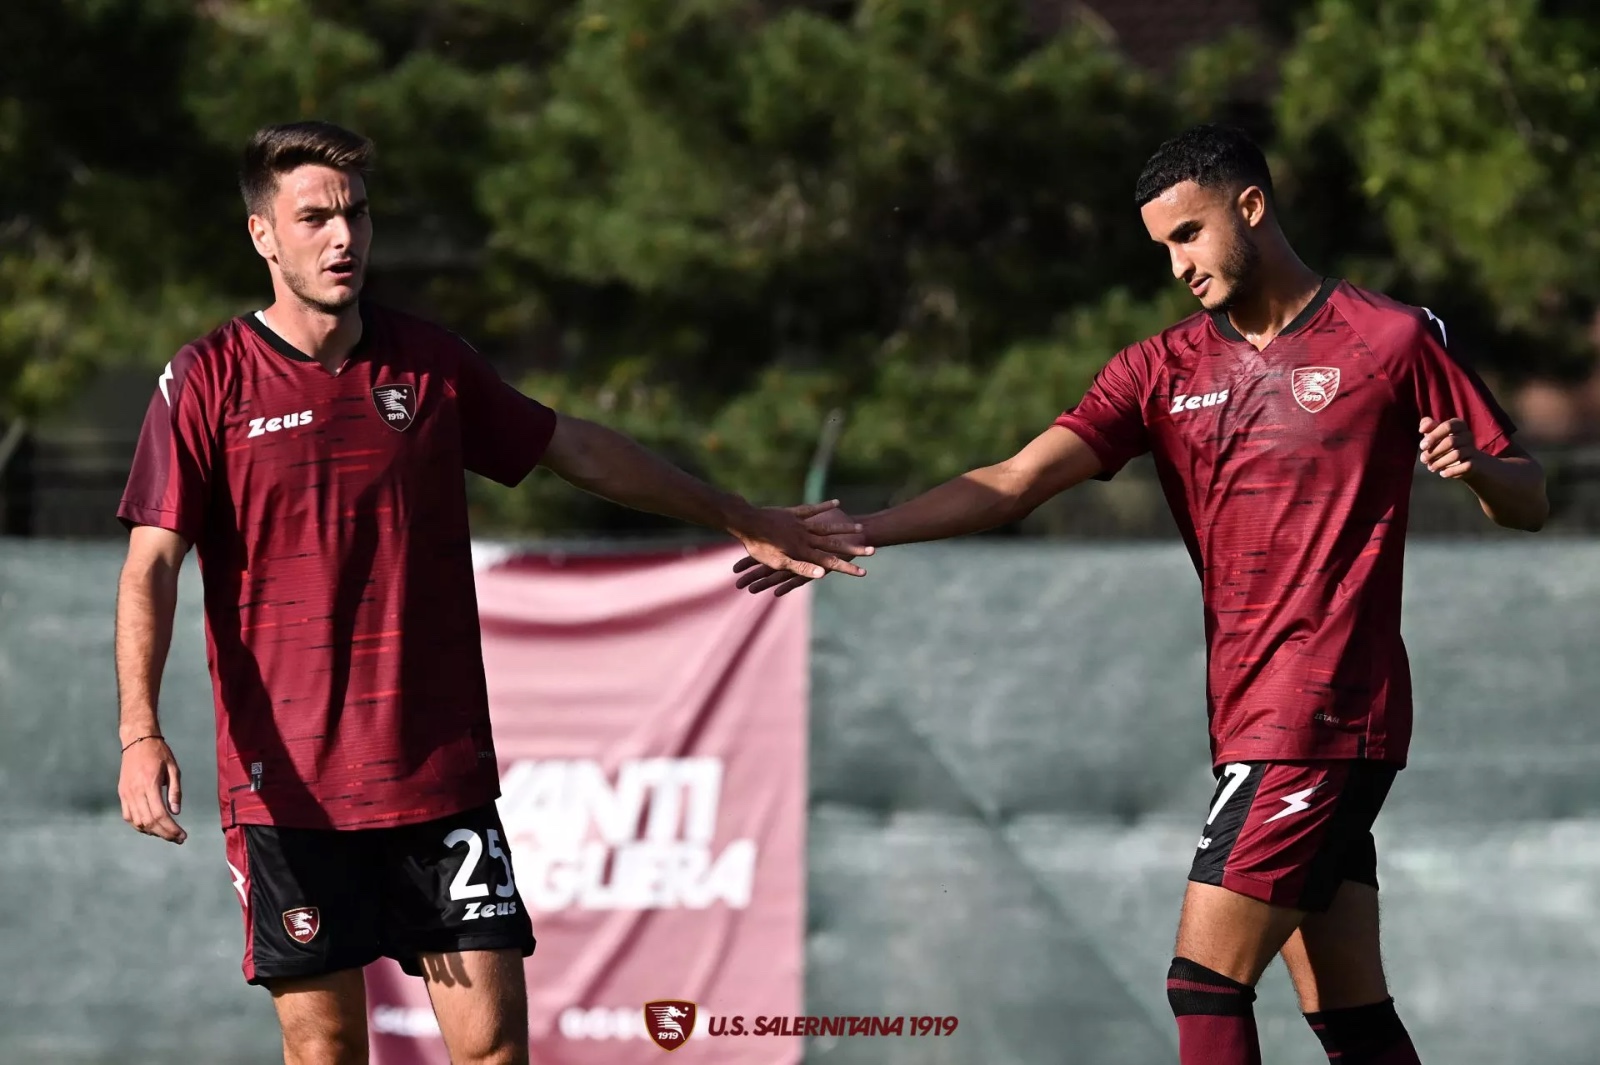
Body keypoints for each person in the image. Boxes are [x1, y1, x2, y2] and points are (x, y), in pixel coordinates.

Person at [734, 124, 1549, 1065]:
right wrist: (860, 529)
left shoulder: (1390, 337)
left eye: (1190, 235)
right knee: (1351, 1014)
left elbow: (1528, 498)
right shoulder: (1160, 370)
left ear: (1252, 206)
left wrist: (1480, 467)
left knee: (1202, 982)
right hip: (1252, 716)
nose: (1177, 266)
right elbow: (1015, 479)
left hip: (1322, 714)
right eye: (1162, 248)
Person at [113, 120, 869, 1065]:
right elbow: (151, 563)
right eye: (314, 218)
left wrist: (734, 510)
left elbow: (573, 447)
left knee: (491, 1048)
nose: (342, 237)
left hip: (436, 775)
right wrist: (140, 729)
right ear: (264, 235)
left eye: (355, 214)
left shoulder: (429, 363)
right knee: (327, 1049)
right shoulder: (207, 380)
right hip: (288, 788)